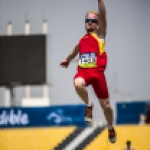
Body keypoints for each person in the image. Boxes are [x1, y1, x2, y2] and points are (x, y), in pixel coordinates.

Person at [60, 0, 116, 144]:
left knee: (107, 107)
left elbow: (103, 14)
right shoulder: (82, 39)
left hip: (98, 74)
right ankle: (89, 104)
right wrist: (67, 59)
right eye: (87, 20)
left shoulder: (100, 35)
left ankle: (110, 128)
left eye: (93, 21)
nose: (90, 23)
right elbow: (75, 49)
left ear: (97, 24)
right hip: (84, 73)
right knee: (77, 84)